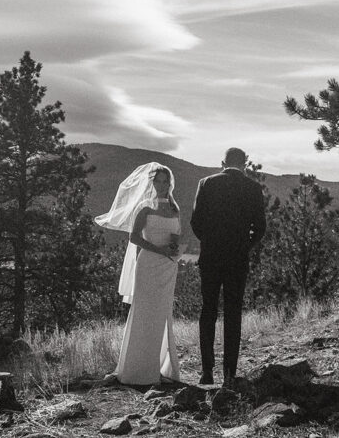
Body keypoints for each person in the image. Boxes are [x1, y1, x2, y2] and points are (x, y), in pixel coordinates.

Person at [95, 163, 182, 385]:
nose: (162, 185)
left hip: (168, 267)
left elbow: (175, 236)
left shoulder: (174, 209)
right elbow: (134, 238)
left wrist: (175, 247)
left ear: (170, 184)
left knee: (162, 316)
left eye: (165, 181)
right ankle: (137, 371)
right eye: (158, 181)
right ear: (151, 183)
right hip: (149, 264)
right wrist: (160, 250)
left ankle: (159, 366)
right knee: (144, 315)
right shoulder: (144, 207)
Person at [191, 147, 266, 386]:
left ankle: (206, 371)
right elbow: (260, 227)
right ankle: (229, 374)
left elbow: (196, 221)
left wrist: (210, 242)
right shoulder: (254, 188)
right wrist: (244, 245)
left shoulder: (206, 183)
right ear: (244, 164)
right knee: (233, 313)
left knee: (208, 311)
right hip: (237, 259)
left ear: (223, 162)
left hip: (211, 257)